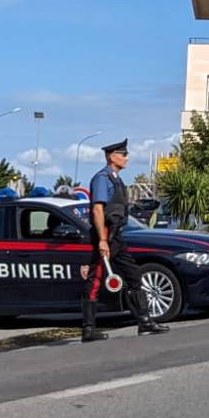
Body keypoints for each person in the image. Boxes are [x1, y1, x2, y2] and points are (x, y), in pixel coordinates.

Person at [81, 138, 169, 342]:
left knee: (134, 276)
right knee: (95, 282)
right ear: (112, 157)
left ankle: (145, 321)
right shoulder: (102, 179)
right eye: (123, 154)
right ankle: (88, 329)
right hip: (105, 236)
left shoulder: (116, 179)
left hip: (116, 237)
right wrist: (102, 240)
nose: (127, 158)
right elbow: (97, 209)